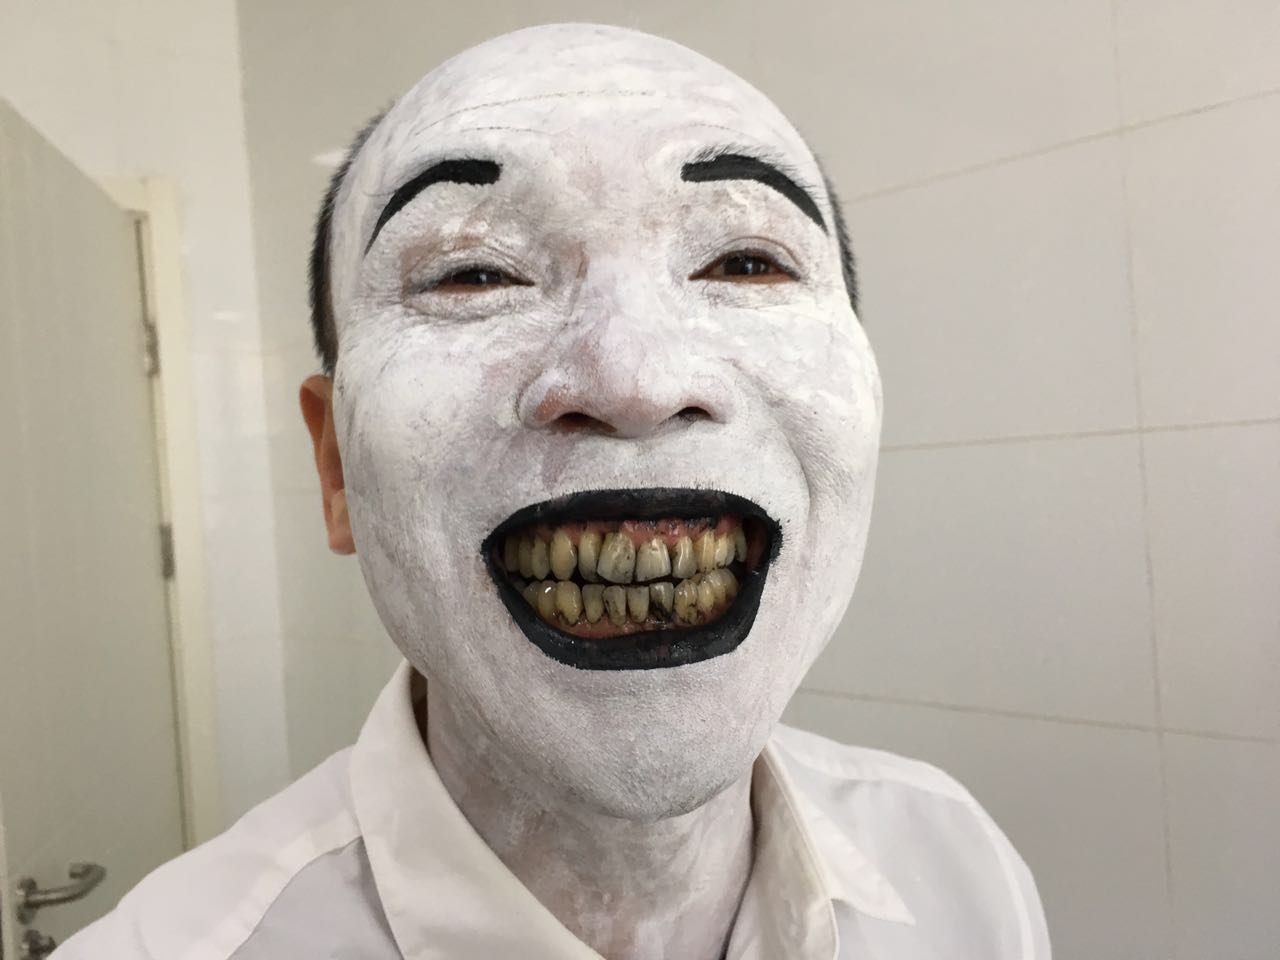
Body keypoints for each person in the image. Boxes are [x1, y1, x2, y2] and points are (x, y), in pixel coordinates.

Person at [57, 23, 1050, 959]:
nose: (632, 380)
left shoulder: (959, 869)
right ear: (336, 470)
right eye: (473, 274)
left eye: (744, 261)